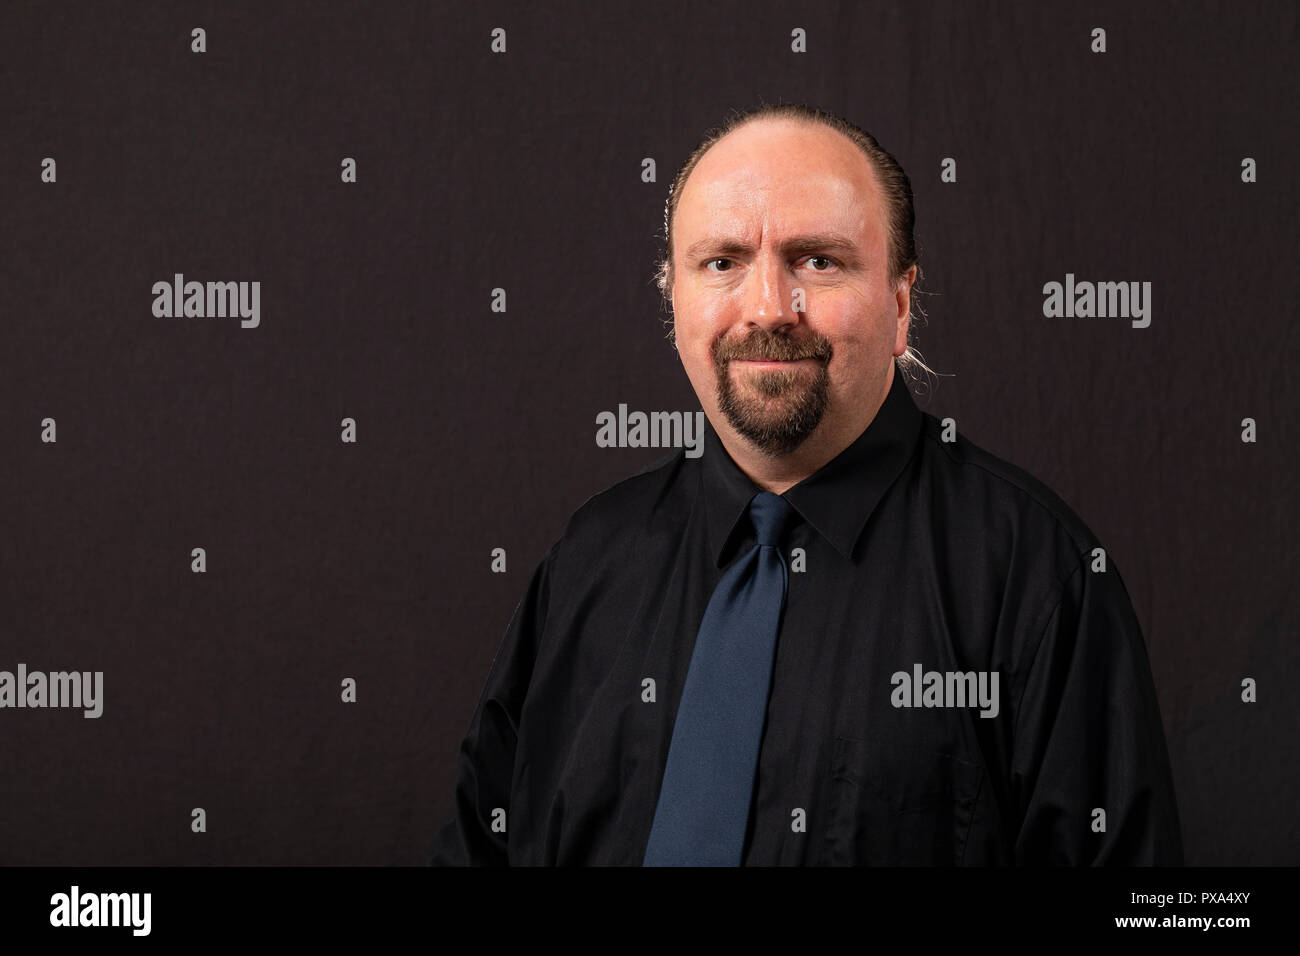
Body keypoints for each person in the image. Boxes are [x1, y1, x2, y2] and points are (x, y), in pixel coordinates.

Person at [428, 102, 1183, 866]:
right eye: (721, 262)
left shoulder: (1040, 580)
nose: (766, 309)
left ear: (898, 304)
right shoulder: (589, 561)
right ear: (674, 299)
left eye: (818, 261)